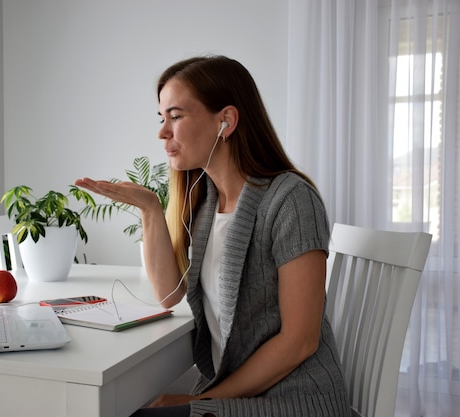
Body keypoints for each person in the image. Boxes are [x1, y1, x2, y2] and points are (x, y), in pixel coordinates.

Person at [75, 56, 350, 417]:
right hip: (235, 390)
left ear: (226, 120)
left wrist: (202, 400)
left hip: (293, 401)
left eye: (175, 116)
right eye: (162, 119)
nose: (162, 132)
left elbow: (300, 341)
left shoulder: (291, 200)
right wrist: (150, 211)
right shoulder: (207, 201)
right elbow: (169, 295)